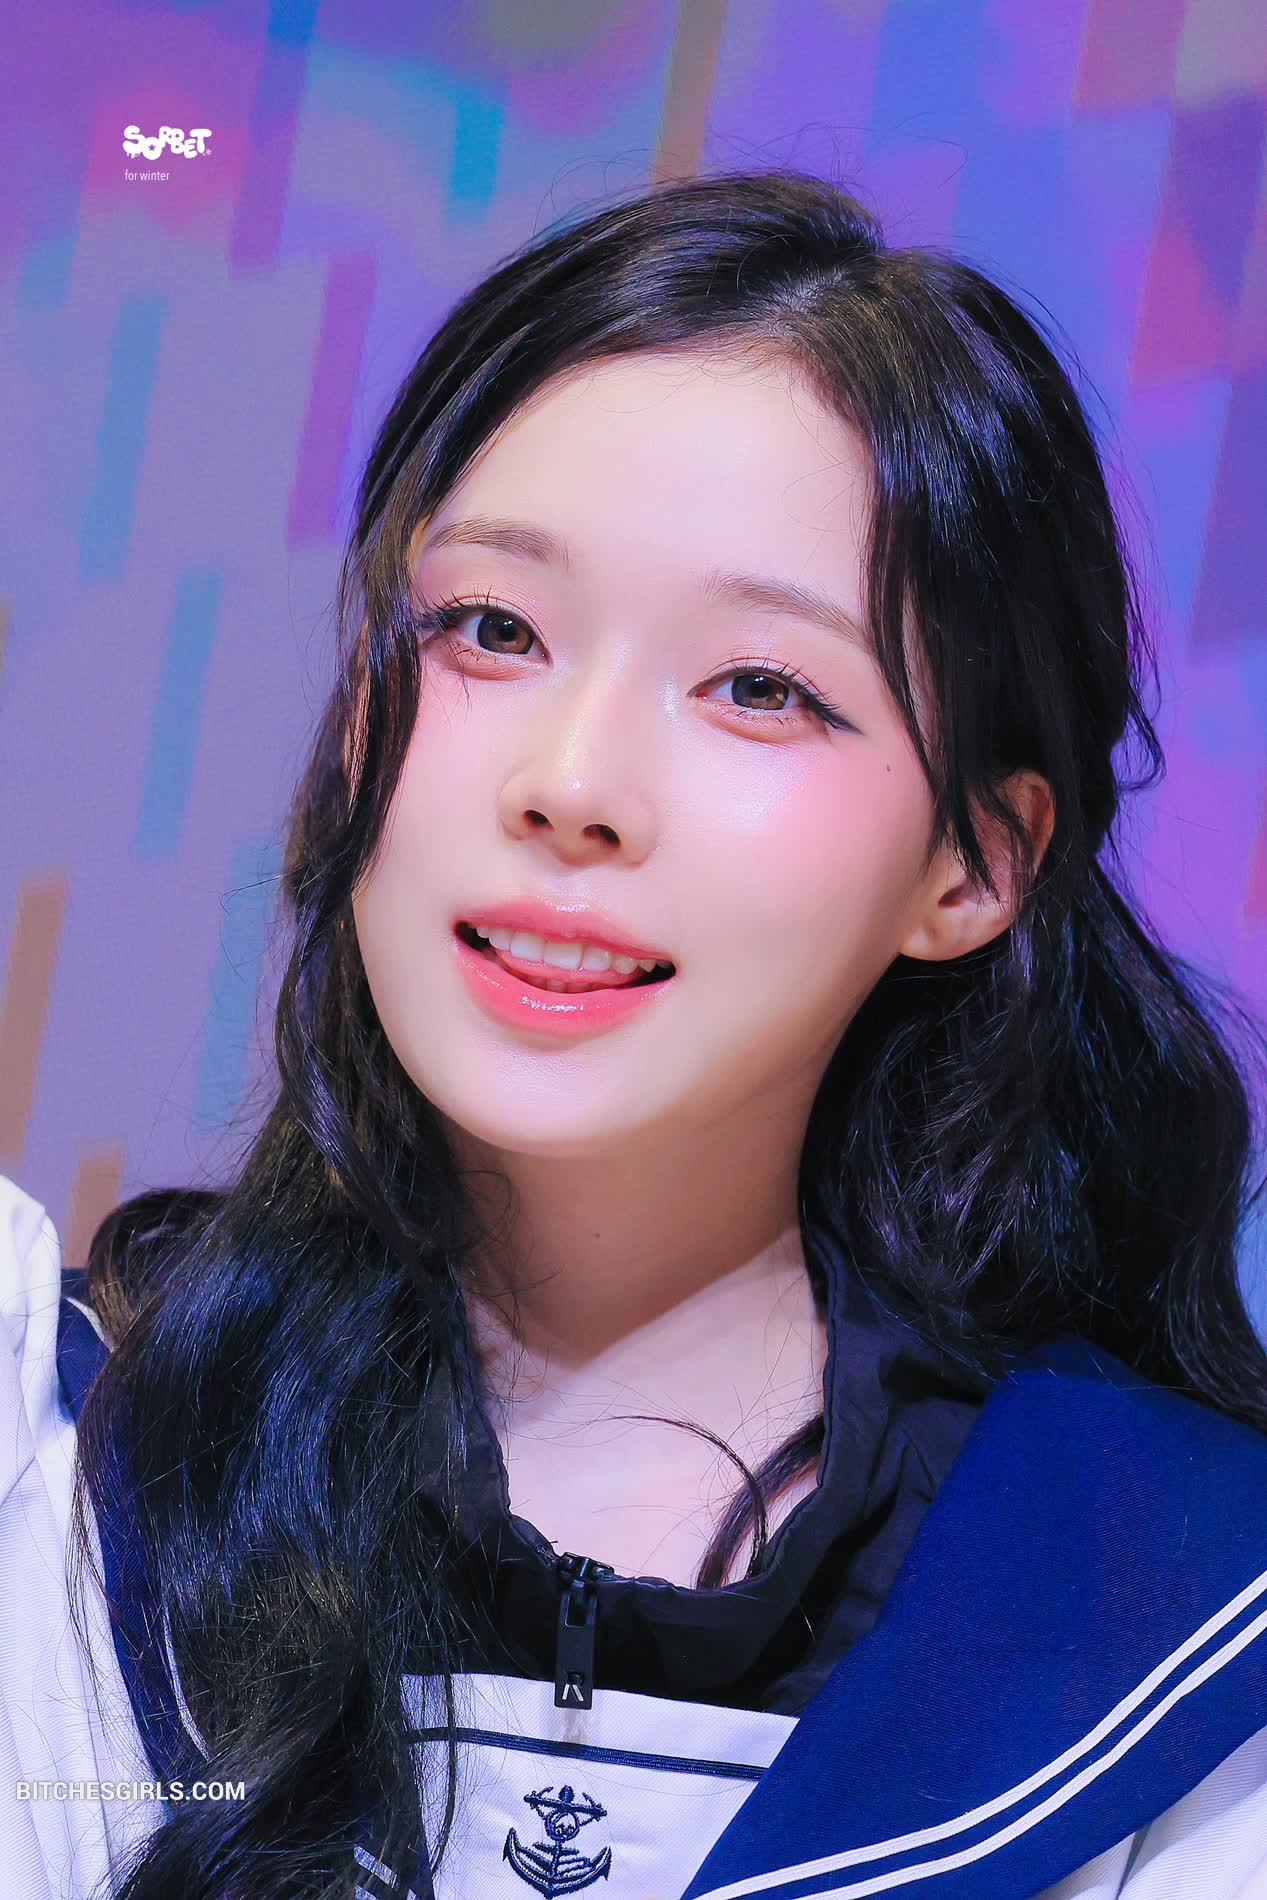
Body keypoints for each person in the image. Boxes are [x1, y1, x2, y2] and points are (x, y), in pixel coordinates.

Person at [3, 168, 1267, 1900]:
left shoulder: (1173, 1633)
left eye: (761, 686)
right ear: (364, 710)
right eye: (493, 631)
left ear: (976, 863)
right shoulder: (58, 1474)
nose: (573, 782)